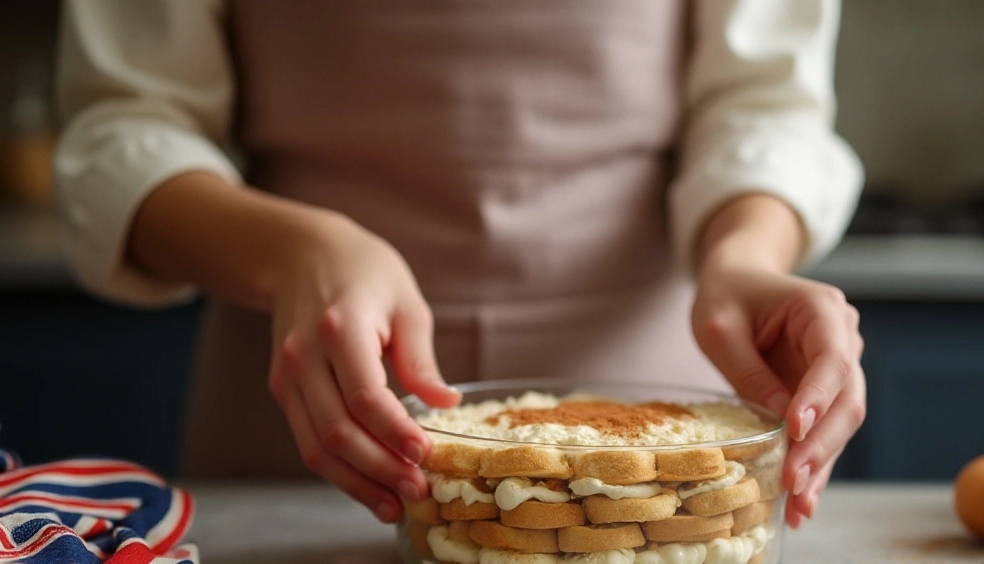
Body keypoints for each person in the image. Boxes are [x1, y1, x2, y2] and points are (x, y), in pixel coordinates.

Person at [54, 0, 865, 530]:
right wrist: (298, 250)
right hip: (316, 415)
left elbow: (762, 102)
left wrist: (746, 259)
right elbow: (122, 127)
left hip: (650, 398)